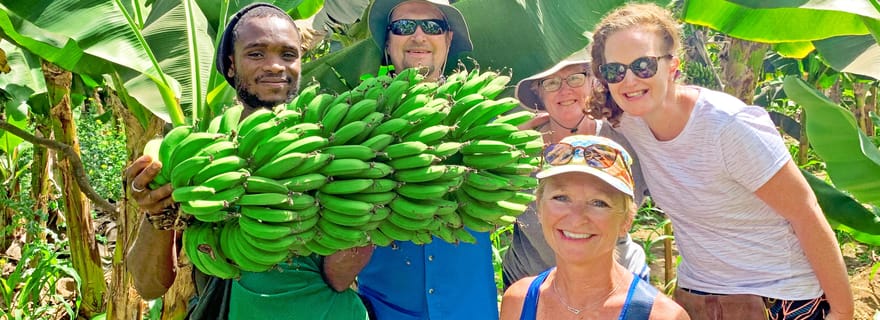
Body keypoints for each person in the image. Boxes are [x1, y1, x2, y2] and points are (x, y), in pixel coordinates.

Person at [586, 3, 853, 319]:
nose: (629, 80)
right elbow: (572, 110)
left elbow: (805, 213)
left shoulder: (728, 127)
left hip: (779, 298)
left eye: (643, 66)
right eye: (615, 71)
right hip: (700, 299)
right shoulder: (628, 120)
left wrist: (842, 311)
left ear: (672, 66)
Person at [125, 3, 371, 319]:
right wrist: (157, 214)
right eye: (256, 54)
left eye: (288, 54)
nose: (275, 66)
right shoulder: (201, 153)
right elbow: (148, 286)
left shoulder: (331, 142)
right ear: (231, 65)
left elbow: (339, 276)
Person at [355, 1, 498, 319]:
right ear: (388, 42)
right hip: (385, 309)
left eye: (432, 27)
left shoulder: (480, 116)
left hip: (469, 308)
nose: (418, 36)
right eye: (404, 27)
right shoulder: (359, 119)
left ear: (448, 39)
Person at [502, 51, 651, 289]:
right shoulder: (516, 146)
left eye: (575, 78)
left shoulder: (625, 138)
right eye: (551, 83)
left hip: (615, 286)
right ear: (538, 93)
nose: (565, 90)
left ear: (593, 82)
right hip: (530, 285)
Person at [500, 135, 689, 320]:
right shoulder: (518, 302)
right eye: (561, 198)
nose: (577, 218)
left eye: (599, 203)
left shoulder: (661, 316)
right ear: (539, 208)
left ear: (626, 220)